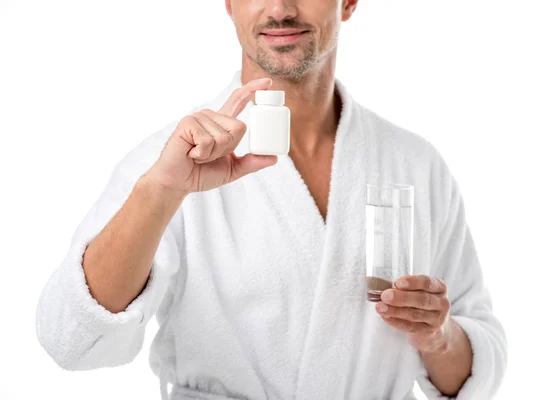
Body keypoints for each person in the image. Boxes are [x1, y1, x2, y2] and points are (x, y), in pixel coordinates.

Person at [36, 1, 507, 399]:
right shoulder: (166, 165)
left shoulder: (415, 164)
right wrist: (161, 192)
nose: (281, 9)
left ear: (348, 1)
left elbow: (479, 362)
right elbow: (72, 339)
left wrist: (437, 336)